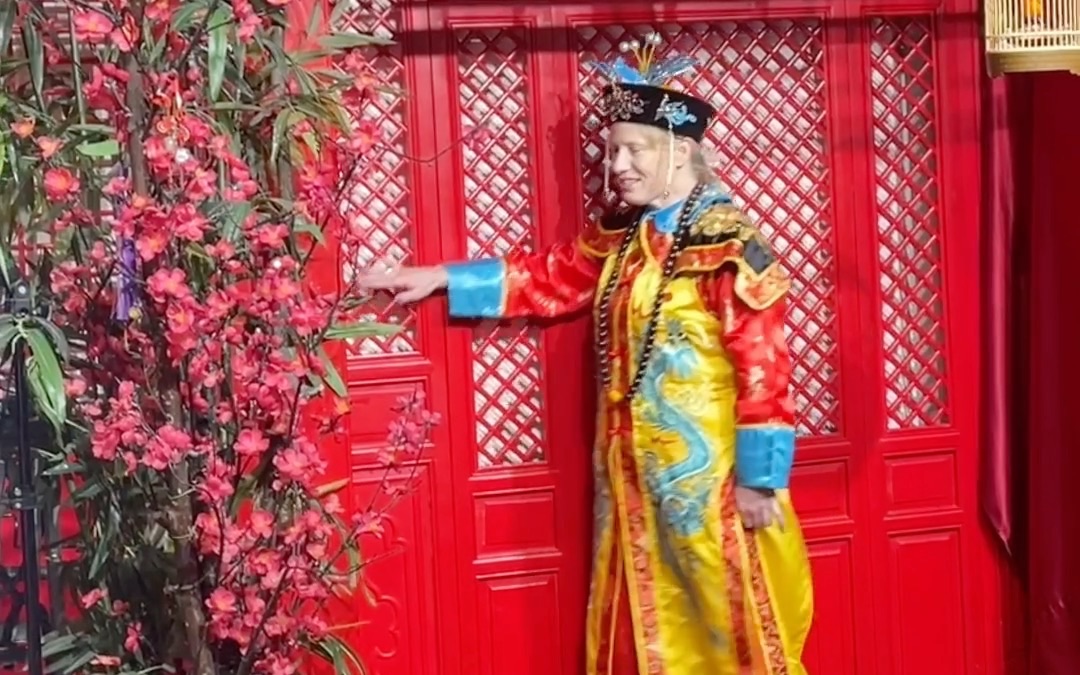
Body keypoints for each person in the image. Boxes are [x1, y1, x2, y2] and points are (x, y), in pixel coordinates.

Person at [358, 35, 813, 675]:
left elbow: (763, 366)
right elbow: (551, 277)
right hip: (629, 477)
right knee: (641, 619)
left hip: (706, 480)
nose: (617, 165)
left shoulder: (724, 244)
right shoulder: (624, 238)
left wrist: (761, 479)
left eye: (634, 150)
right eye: (612, 150)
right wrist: (440, 278)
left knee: (724, 618)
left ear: (680, 151)